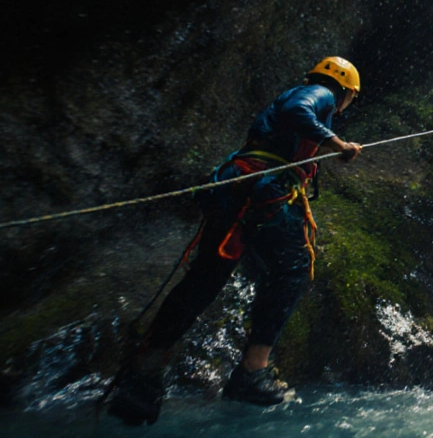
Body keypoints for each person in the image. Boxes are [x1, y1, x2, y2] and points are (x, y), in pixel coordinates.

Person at [107, 57, 364, 426]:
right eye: (351, 99)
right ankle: (251, 372)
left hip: (238, 189)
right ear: (346, 90)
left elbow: (289, 120)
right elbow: (298, 110)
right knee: (292, 271)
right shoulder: (321, 93)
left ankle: (143, 374)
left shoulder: (300, 94)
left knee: (205, 279)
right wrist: (337, 142)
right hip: (264, 193)